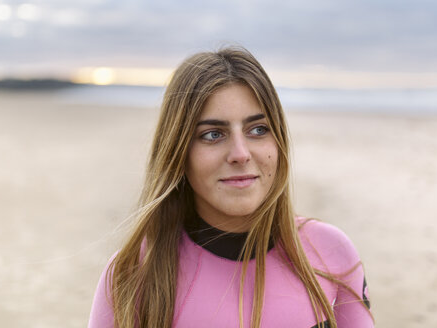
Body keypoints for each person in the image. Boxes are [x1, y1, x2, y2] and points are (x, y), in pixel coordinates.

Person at [88, 46, 373, 328]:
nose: (241, 153)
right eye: (212, 134)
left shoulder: (331, 251)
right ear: (178, 152)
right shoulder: (131, 275)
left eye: (258, 130)